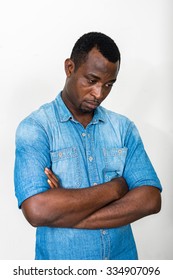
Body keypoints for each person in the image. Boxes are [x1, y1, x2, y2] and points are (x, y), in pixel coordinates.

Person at [14, 32, 162, 260]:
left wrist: (67, 211)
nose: (99, 93)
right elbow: (37, 211)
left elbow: (150, 199)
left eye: (109, 84)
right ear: (70, 68)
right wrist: (116, 188)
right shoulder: (36, 128)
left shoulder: (123, 128)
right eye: (92, 80)